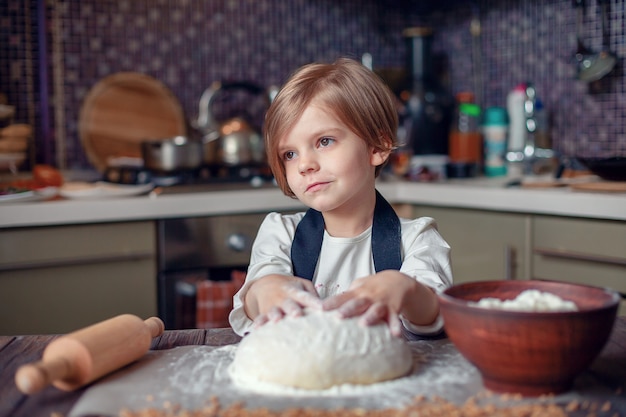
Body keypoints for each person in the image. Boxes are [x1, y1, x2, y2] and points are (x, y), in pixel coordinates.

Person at [229, 58, 452, 338]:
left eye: (324, 141)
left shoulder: (417, 239)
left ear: (378, 146)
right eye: (290, 154)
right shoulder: (281, 233)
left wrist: (405, 288)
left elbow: (436, 312)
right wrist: (266, 290)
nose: (304, 164)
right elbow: (253, 300)